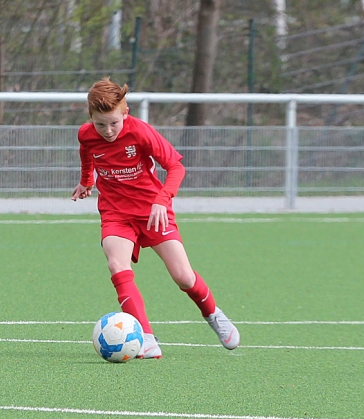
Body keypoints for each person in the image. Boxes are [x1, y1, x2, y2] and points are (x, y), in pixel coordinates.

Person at [71, 78, 239, 358]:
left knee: (183, 277)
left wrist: (162, 200)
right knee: (116, 265)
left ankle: (213, 315)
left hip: (152, 211)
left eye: (114, 123)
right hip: (115, 213)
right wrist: (86, 181)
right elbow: (87, 154)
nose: (108, 131)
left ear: (125, 113)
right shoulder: (86, 135)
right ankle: (146, 338)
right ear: (90, 117)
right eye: (100, 124)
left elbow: (175, 167)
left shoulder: (140, 132)